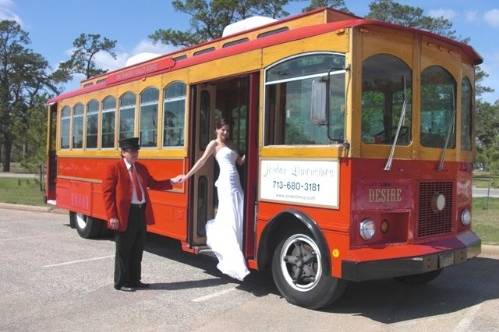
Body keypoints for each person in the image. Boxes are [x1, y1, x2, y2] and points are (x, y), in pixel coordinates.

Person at [102, 137, 180, 292]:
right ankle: (121, 282)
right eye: (132, 151)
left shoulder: (141, 168)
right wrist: (112, 216)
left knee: (137, 248)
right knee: (123, 250)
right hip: (125, 214)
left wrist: (172, 181)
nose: (135, 154)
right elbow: (107, 194)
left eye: (137, 151)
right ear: (123, 152)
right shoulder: (114, 168)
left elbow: (154, 184)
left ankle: (134, 280)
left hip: (140, 212)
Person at [178, 119, 250, 281]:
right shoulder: (214, 144)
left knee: (239, 212)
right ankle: (232, 253)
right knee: (229, 214)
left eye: (228, 130)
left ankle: (240, 247)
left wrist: (252, 149)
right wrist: (187, 176)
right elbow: (202, 160)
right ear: (216, 130)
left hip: (236, 181)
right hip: (225, 183)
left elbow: (240, 162)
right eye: (223, 130)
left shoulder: (232, 144)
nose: (225, 133)